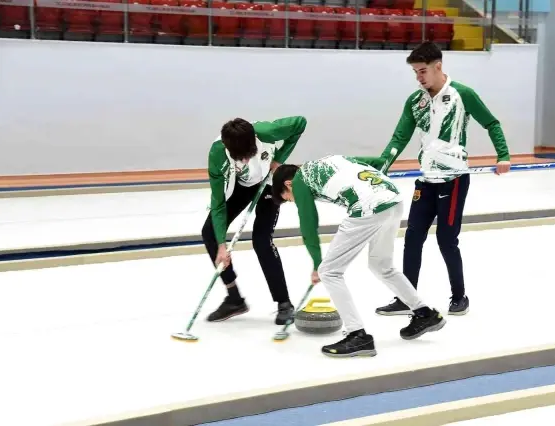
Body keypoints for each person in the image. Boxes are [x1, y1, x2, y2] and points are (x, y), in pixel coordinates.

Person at [374, 42, 511, 317]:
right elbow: (399, 137)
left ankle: (460, 297)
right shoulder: (416, 101)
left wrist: (503, 155)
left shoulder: (463, 94)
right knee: (412, 238)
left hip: (454, 180)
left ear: (438, 66)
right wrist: (382, 168)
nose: (419, 78)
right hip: (426, 181)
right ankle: (407, 298)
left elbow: (491, 123)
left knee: (446, 240)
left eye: (422, 71)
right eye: (415, 72)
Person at [271, 155, 446, 358]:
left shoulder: (300, 180)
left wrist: (318, 263)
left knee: (329, 271)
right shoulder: (330, 160)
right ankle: (425, 314)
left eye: (288, 198)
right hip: (393, 199)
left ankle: (358, 335)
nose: (293, 201)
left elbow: (308, 223)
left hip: (369, 207)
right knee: (382, 265)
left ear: (288, 184)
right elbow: (376, 161)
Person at [202, 116, 307, 325]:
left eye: (250, 155)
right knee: (210, 233)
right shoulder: (217, 155)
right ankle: (234, 299)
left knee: (261, 240)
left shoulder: (266, 131)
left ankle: (284, 303)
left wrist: (279, 159)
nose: (247, 161)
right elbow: (218, 202)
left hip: (268, 182)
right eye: (241, 159)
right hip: (242, 185)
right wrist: (222, 245)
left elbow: (300, 123)